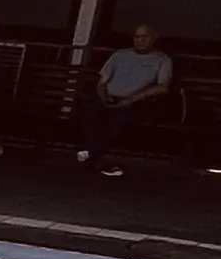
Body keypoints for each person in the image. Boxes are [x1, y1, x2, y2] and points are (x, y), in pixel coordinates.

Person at [75, 22, 176, 175]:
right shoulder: (120, 55)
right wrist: (104, 97)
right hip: (109, 97)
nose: (139, 40)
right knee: (91, 115)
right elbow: (102, 82)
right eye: (137, 36)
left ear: (154, 39)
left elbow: (162, 87)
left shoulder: (162, 59)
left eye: (144, 37)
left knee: (119, 121)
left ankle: (90, 153)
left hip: (136, 101)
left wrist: (130, 99)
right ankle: (91, 155)